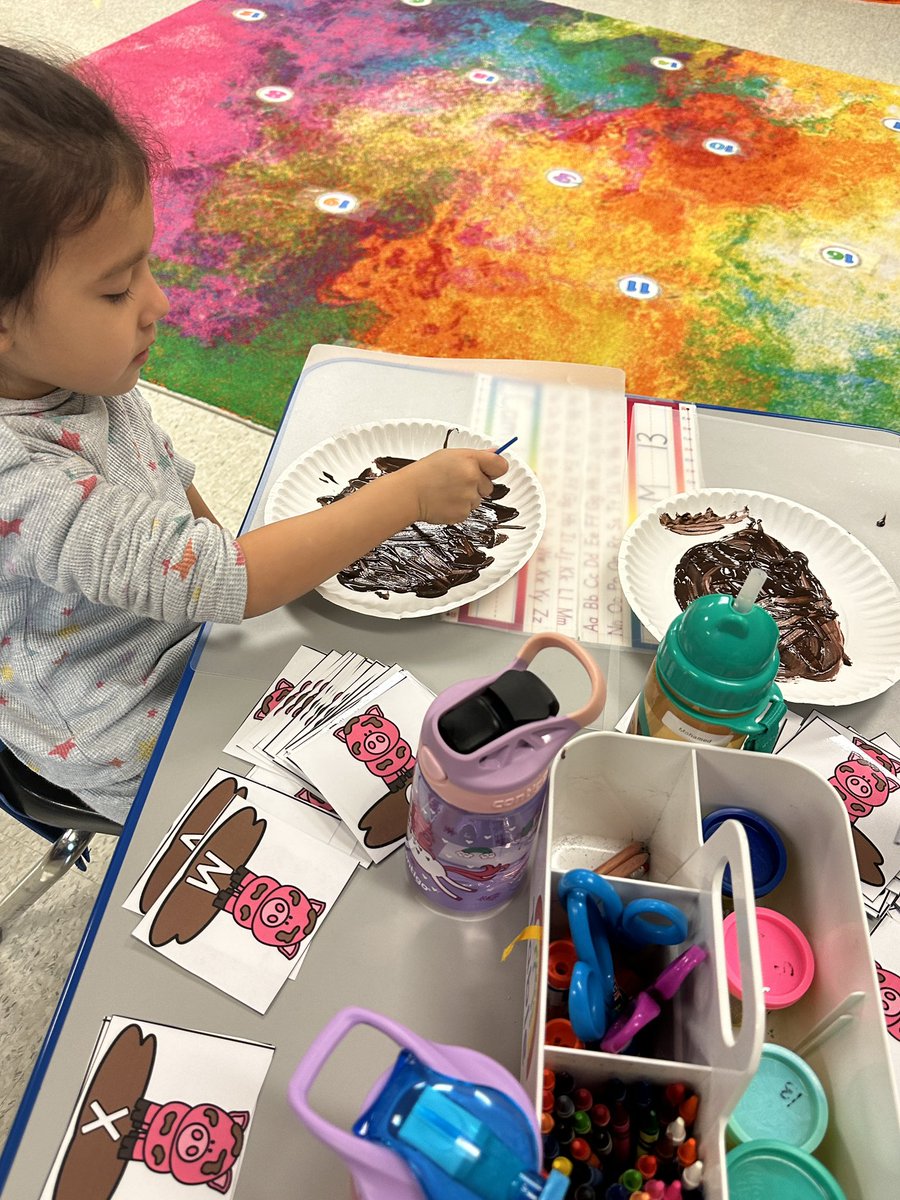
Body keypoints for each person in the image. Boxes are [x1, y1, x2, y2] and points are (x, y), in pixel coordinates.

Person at [0, 45, 508, 822]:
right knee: (359, 812)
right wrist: (405, 494)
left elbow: (168, 482)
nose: (158, 303)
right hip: (122, 733)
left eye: (144, 269)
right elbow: (223, 578)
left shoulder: (73, 373)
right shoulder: (18, 483)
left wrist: (237, 575)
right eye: (114, 288)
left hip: (188, 634)